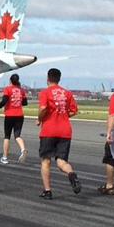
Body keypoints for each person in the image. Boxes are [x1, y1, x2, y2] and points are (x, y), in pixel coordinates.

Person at [36, 68, 81, 200]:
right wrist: (63, 115)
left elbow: (43, 108)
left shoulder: (45, 92)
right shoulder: (67, 93)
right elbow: (74, 111)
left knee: (45, 161)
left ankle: (47, 190)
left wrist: (40, 118)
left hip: (49, 130)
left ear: (47, 78)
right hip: (65, 130)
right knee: (61, 161)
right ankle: (71, 173)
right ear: (59, 79)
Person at [0, 73, 28, 164]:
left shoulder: (7, 89)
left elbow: (4, 100)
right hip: (19, 115)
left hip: (10, 115)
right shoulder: (21, 90)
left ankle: (5, 157)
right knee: (17, 135)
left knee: (7, 137)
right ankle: (23, 149)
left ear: (10, 81)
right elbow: (25, 102)